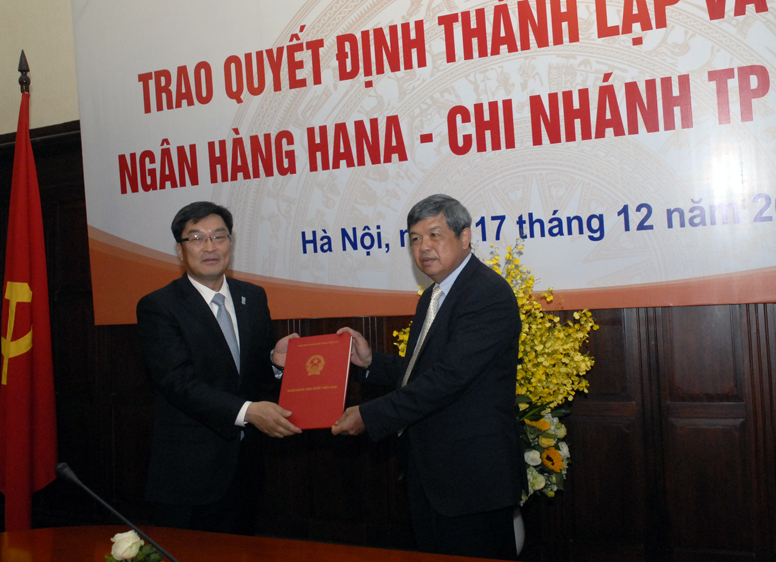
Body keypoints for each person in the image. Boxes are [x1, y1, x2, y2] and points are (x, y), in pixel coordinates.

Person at [332, 194, 527, 559]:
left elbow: (448, 379)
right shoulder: (433, 296)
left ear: (465, 237)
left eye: (435, 234)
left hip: (473, 479)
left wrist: (371, 415)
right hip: (432, 474)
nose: (423, 247)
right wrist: (371, 362)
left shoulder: (486, 294)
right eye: (415, 238)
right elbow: (422, 371)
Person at [137, 201, 301, 534]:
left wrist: (273, 361)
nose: (210, 247)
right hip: (189, 473)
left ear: (230, 243)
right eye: (197, 238)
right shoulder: (159, 306)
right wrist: (248, 411)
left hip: (245, 467)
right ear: (180, 249)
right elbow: (178, 383)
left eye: (219, 236)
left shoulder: (252, 297)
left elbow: (249, 373)